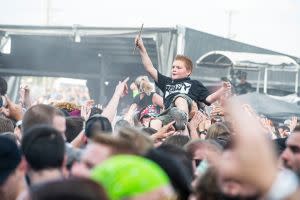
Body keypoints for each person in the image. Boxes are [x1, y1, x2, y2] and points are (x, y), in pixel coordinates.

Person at [135, 36, 231, 131]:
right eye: (173, 67)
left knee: (180, 97)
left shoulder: (194, 84)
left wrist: (222, 90)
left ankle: (182, 118)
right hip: (169, 114)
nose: (174, 69)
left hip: (185, 115)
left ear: (188, 71)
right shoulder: (167, 82)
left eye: (178, 67)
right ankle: (153, 143)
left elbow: (209, 99)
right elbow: (150, 68)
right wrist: (141, 47)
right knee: (155, 122)